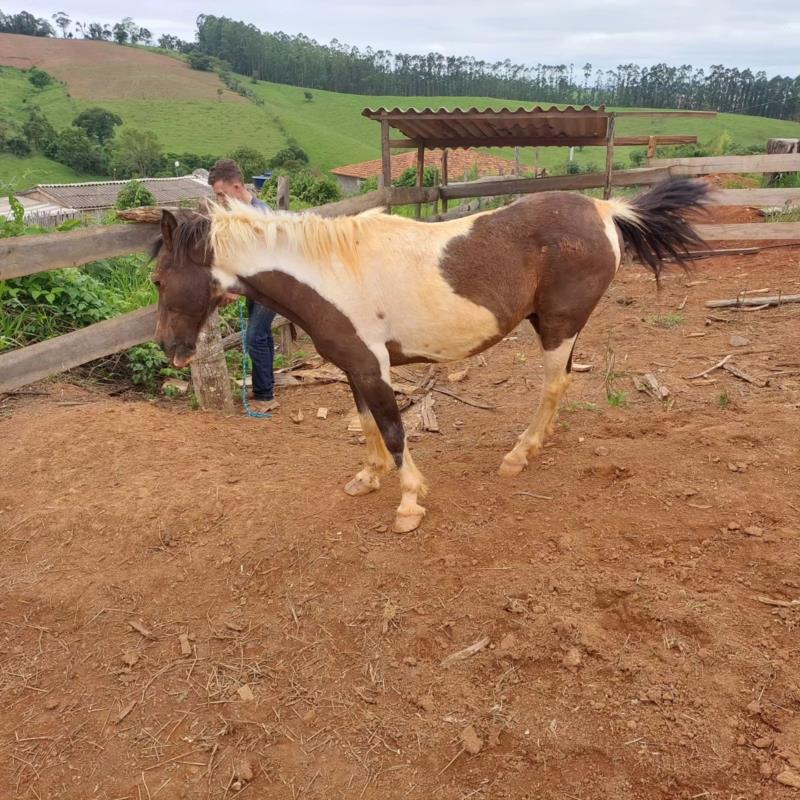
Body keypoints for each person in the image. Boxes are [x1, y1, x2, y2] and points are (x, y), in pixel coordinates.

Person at [208, 159, 279, 411]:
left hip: (268, 287)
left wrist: (234, 289)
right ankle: (267, 387)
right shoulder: (241, 214)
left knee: (254, 337)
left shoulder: (259, 215)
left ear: (236, 186)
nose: (220, 201)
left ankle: (264, 396)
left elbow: (257, 262)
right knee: (263, 335)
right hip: (257, 287)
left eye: (221, 194)